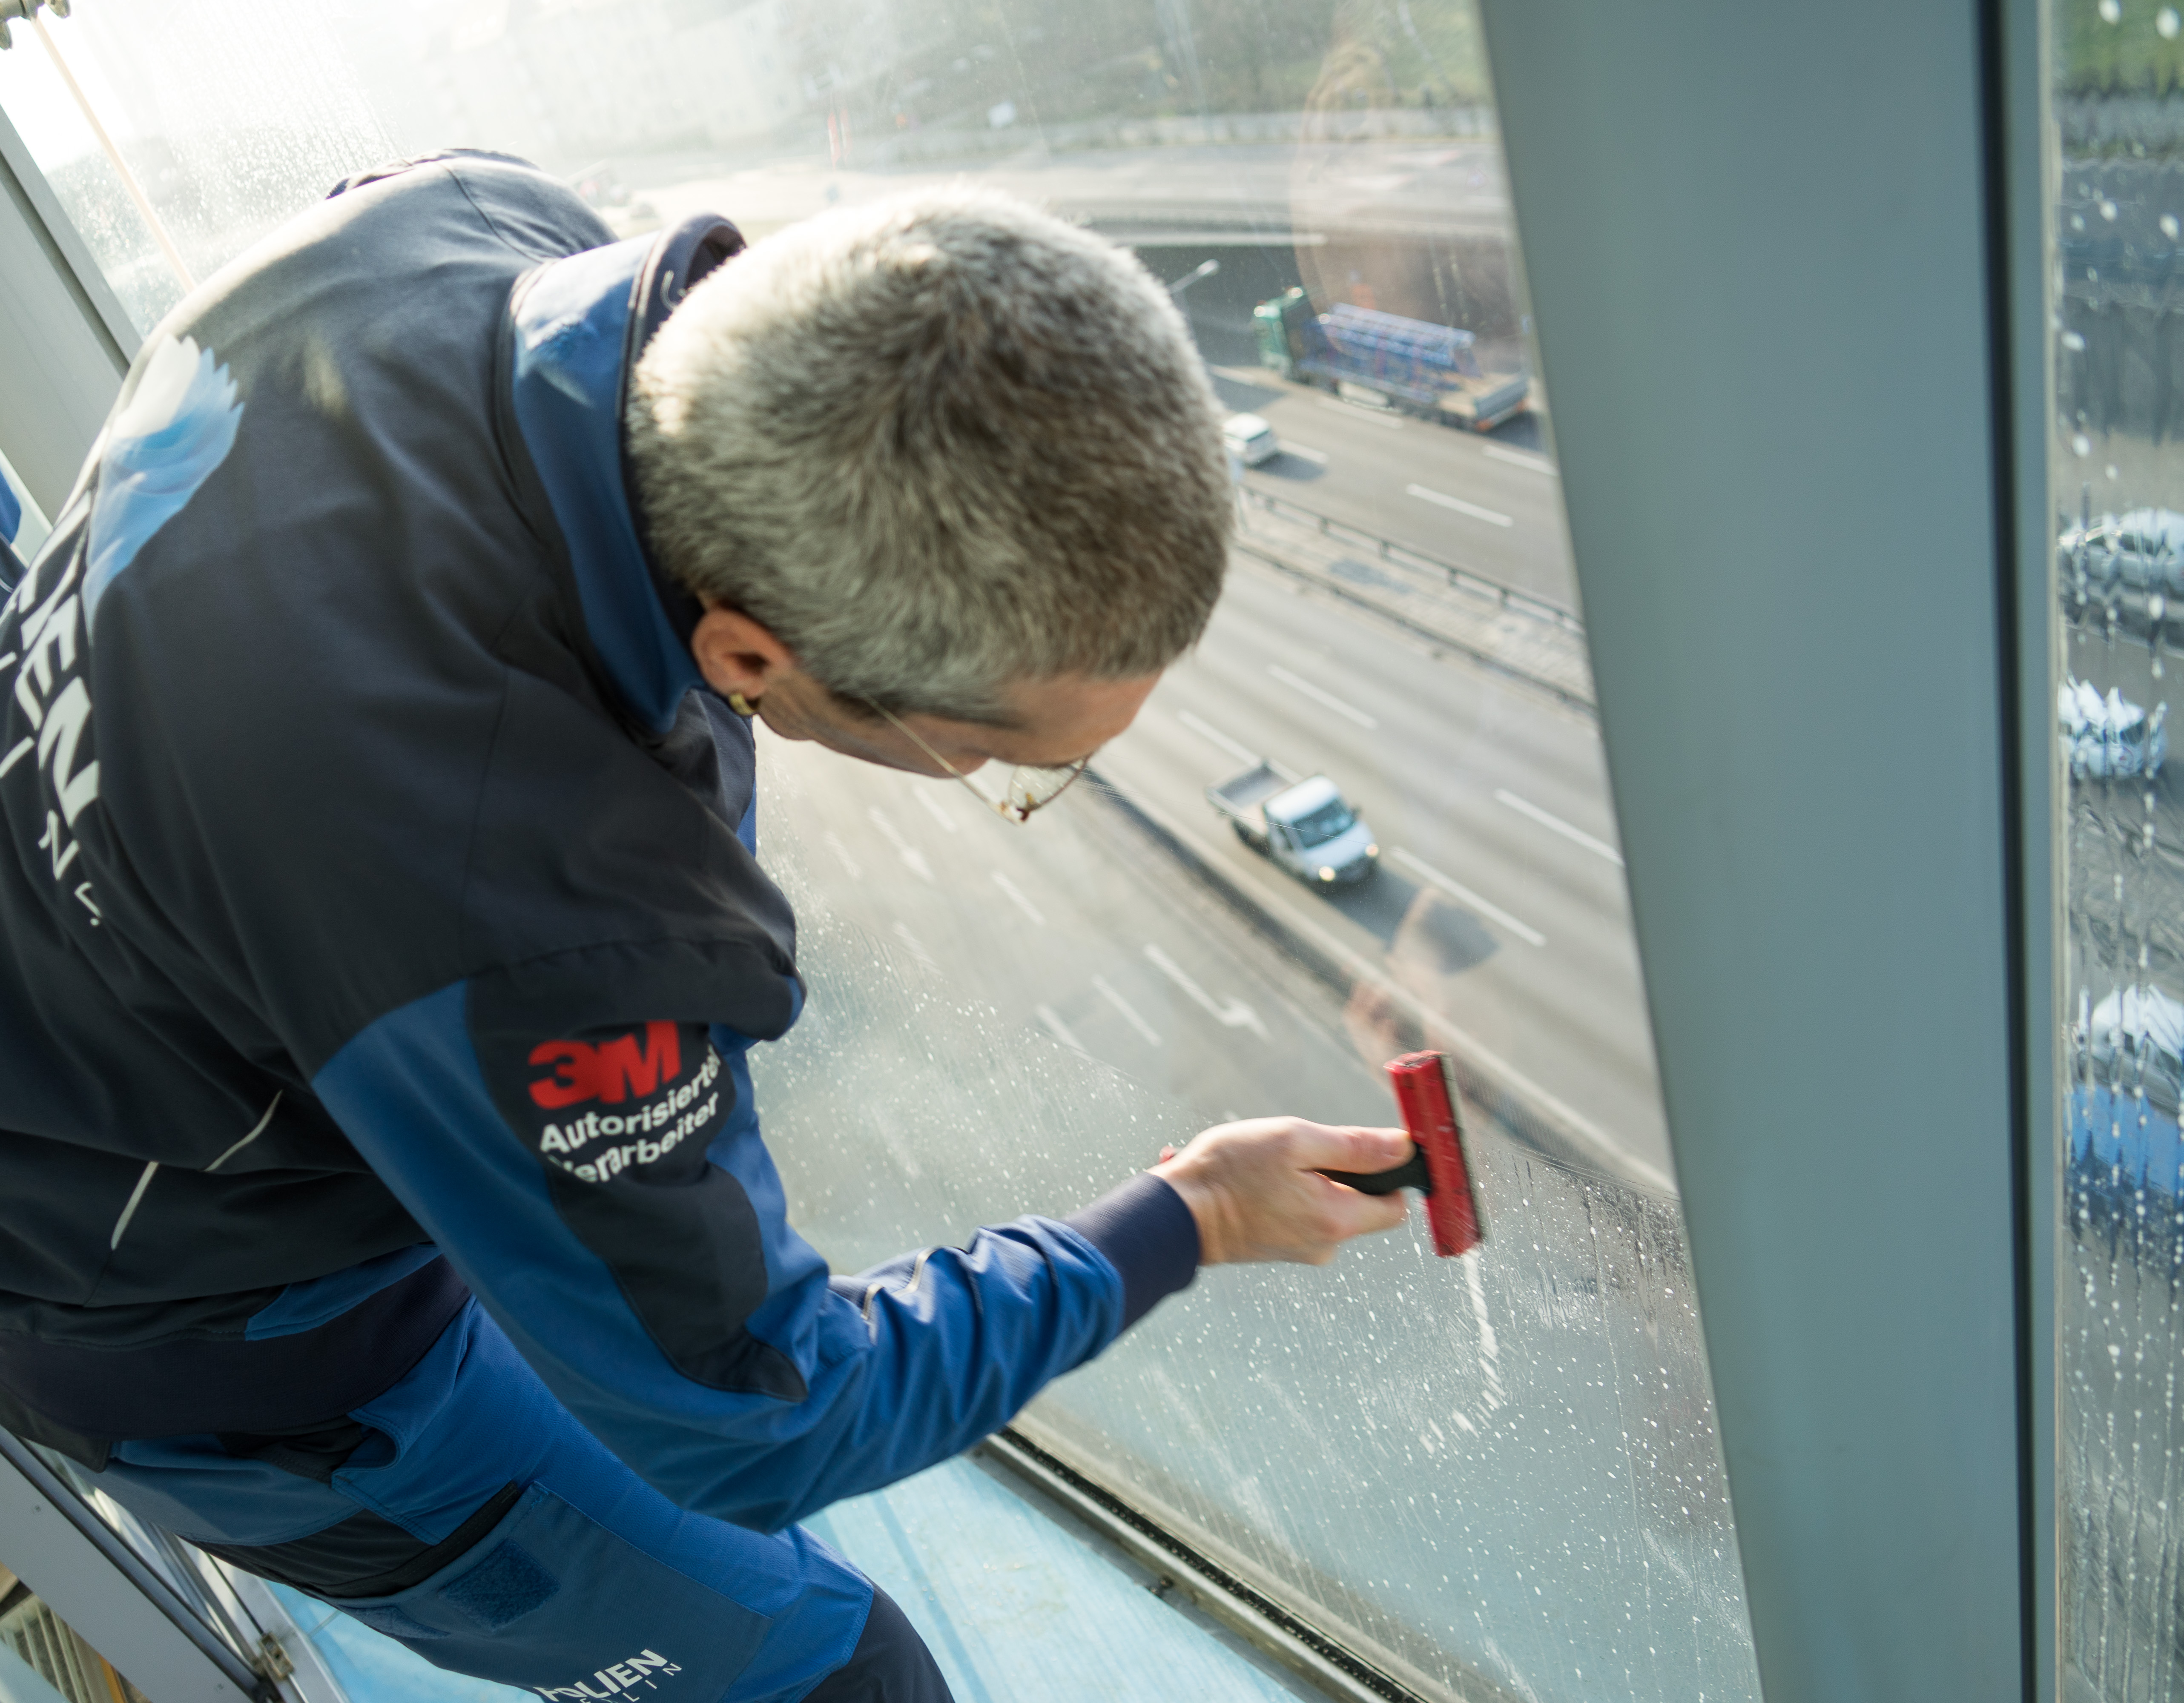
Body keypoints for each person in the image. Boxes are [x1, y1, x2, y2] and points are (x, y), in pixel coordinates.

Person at [0, 150, 1412, 1701]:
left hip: (111, 992)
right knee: (831, 1675)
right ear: (746, 650)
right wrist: (1189, 1218)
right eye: (1004, 761)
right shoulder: (530, 906)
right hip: (219, 1339)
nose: (1006, 779)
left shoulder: (446, 225)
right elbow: (773, 1415)